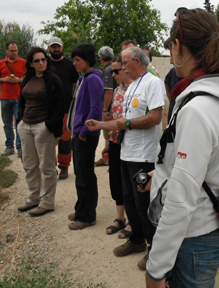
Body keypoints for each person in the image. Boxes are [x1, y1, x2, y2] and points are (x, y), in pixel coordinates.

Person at [145, 8, 219, 288]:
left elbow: (182, 198)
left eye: (171, 48)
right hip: (210, 229)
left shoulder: (199, 107)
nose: (171, 59)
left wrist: (155, 269)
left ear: (178, 46)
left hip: (196, 235)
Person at [86, 47, 166, 270]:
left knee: (145, 206)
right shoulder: (131, 86)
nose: (120, 65)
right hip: (127, 153)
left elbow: (156, 117)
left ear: (137, 62)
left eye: (125, 61)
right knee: (130, 200)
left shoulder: (153, 83)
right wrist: (100, 124)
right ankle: (137, 240)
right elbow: (122, 121)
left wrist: (128, 124)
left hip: (145, 156)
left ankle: (155, 251)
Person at [16, 47, 66, 216]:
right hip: (26, 126)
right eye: (37, 60)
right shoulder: (28, 78)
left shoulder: (53, 80)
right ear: (31, 63)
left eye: (43, 59)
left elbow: (61, 105)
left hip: (43, 127)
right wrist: (19, 121)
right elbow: (22, 101)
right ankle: (33, 198)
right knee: (29, 165)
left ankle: (47, 202)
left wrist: (49, 125)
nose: (41, 63)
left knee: (47, 167)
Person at [67, 44, 104, 230]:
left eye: (78, 60)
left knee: (85, 175)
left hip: (86, 136)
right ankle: (81, 208)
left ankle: (87, 216)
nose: (74, 63)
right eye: (74, 60)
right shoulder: (85, 78)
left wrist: (83, 133)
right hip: (79, 134)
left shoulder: (93, 80)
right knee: (80, 173)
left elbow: (95, 109)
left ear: (88, 60)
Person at [101, 56, 133, 237]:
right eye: (111, 71)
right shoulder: (118, 90)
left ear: (126, 69)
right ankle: (120, 218)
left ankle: (132, 221)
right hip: (115, 141)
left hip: (130, 143)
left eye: (116, 71)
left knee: (128, 181)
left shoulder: (136, 89)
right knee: (115, 180)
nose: (113, 75)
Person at [47, 36, 80, 180]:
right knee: (48, 139)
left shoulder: (70, 65)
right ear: (49, 48)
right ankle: (50, 168)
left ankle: (64, 167)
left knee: (65, 140)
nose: (56, 49)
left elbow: (76, 84)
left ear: (62, 48)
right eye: (53, 47)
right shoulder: (44, 63)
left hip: (66, 108)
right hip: (47, 109)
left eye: (58, 46)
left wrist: (76, 103)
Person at [0, 41, 26, 157]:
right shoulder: (0, 64)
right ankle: (9, 146)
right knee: (7, 124)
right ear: (7, 51)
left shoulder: (23, 63)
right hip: (5, 98)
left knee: (19, 123)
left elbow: (28, 78)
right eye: (12, 51)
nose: (14, 52)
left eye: (16, 50)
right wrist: (4, 79)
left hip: (18, 98)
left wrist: (19, 80)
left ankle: (20, 148)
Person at [95, 46, 117, 167]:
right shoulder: (115, 67)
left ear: (101, 57)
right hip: (117, 106)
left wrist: (104, 109)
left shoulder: (108, 70)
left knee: (108, 134)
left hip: (111, 108)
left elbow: (108, 91)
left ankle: (108, 158)